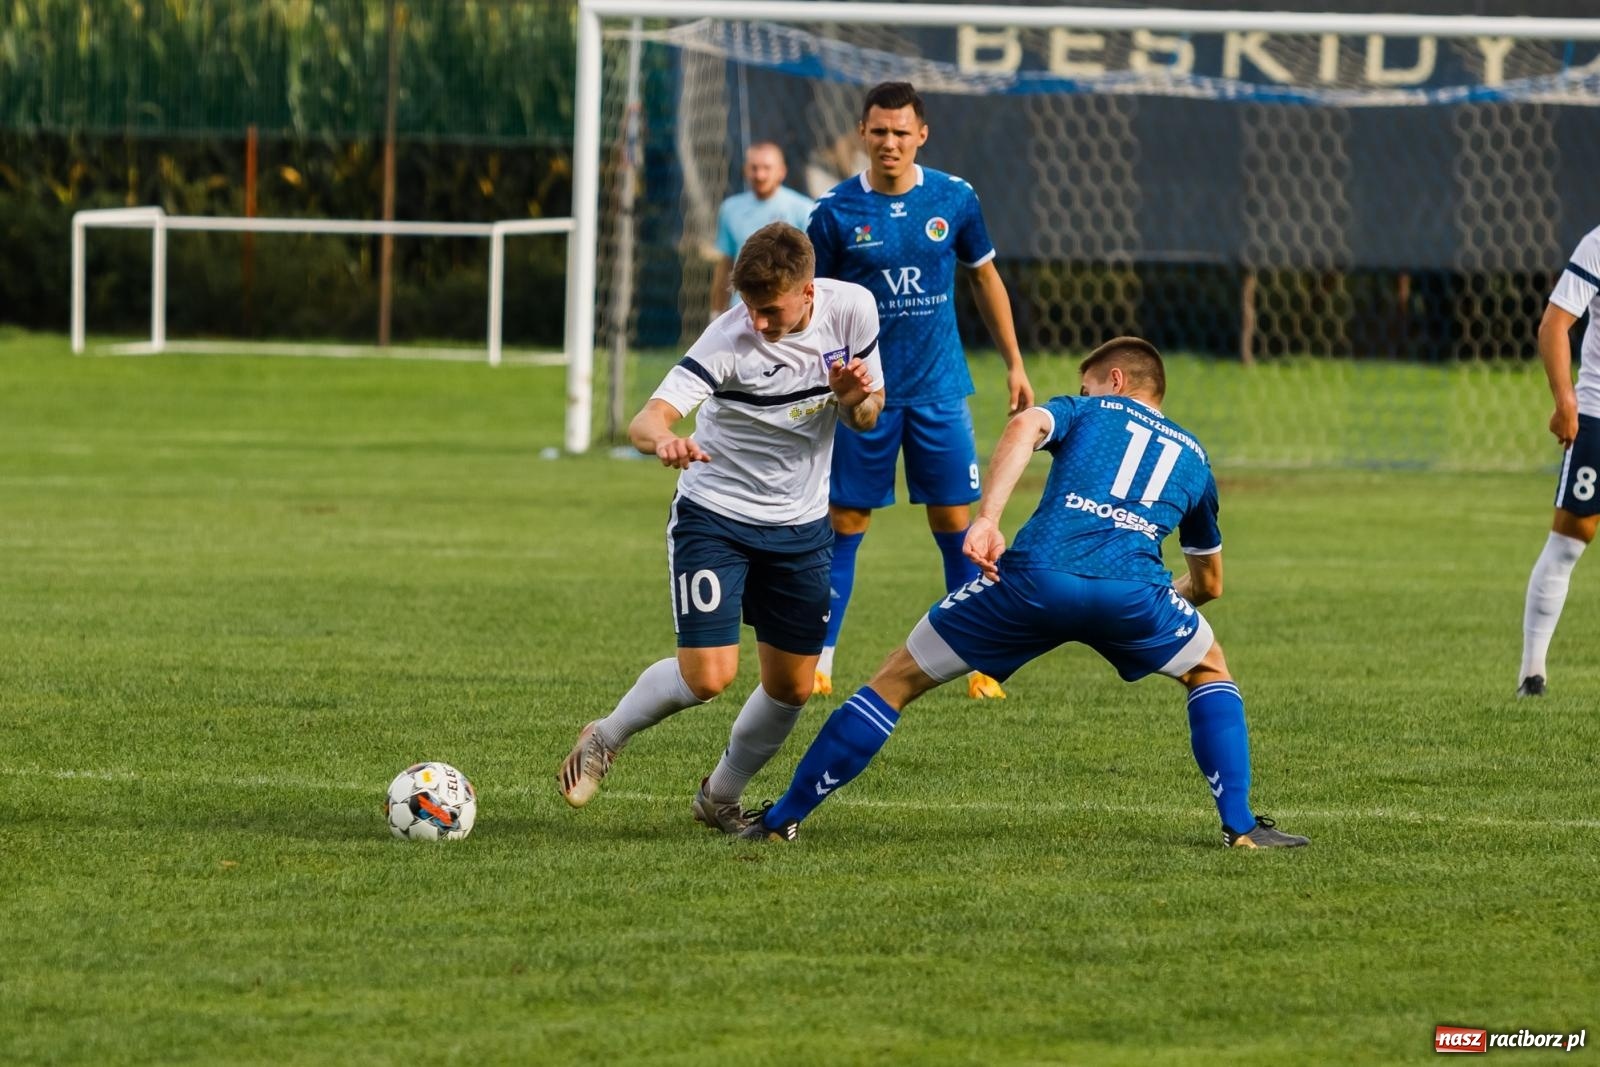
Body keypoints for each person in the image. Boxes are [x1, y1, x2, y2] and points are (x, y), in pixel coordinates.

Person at [739, 337, 1309, 849]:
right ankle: (1240, 826)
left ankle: (782, 819)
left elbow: (1023, 427)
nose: (1081, 394)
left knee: (896, 679)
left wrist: (987, 519)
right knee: (1208, 670)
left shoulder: (1085, 410)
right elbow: (1209, 585)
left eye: (1086, 384)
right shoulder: (1196, 458)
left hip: (1035, 579)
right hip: (1135, 594)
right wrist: (1151, 597)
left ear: (1114, 381)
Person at [558, 222, 884, 832]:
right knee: (708, 676)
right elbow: (646, 420)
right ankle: (605, 736)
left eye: (770, 310)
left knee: (792, 688)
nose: (757, 321)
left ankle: (719, 797)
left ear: (808, 290)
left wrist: (850, 398)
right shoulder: (727, 339)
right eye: (749, 306)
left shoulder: (854, 311)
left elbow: (869, 416)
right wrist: (664, 440)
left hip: (800, 527)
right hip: (716, 517)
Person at [806, 80, 1033, 701]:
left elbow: (984, 278)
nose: (890, 142)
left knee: (956, 520)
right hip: (865, 394)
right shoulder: (833, 212)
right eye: (879, 131)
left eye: (901, 132)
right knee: (845, 520)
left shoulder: (954, 198)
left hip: (939, 390)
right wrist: (827, 378)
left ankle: (976, 661)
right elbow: (814, 304)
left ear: (921, 135)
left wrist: (1014, 363)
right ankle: (819, 661)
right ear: (862, 133)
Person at [1517, 222, 1600, 697]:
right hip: (1597, 416)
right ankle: (1532, 673)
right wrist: (1566, 401)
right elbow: (1554, 324)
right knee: (1570, 540)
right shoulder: (1597, 244)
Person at [710, 142, 815, 316]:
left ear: (781, 171)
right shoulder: (730, 209)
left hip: (785, 310)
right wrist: (716, 312)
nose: (760, 175)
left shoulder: (804, 209)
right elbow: (725, 265)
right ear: (745, 170)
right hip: (742, 309)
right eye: (754, 168)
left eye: (767, 168)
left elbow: (812, 266)